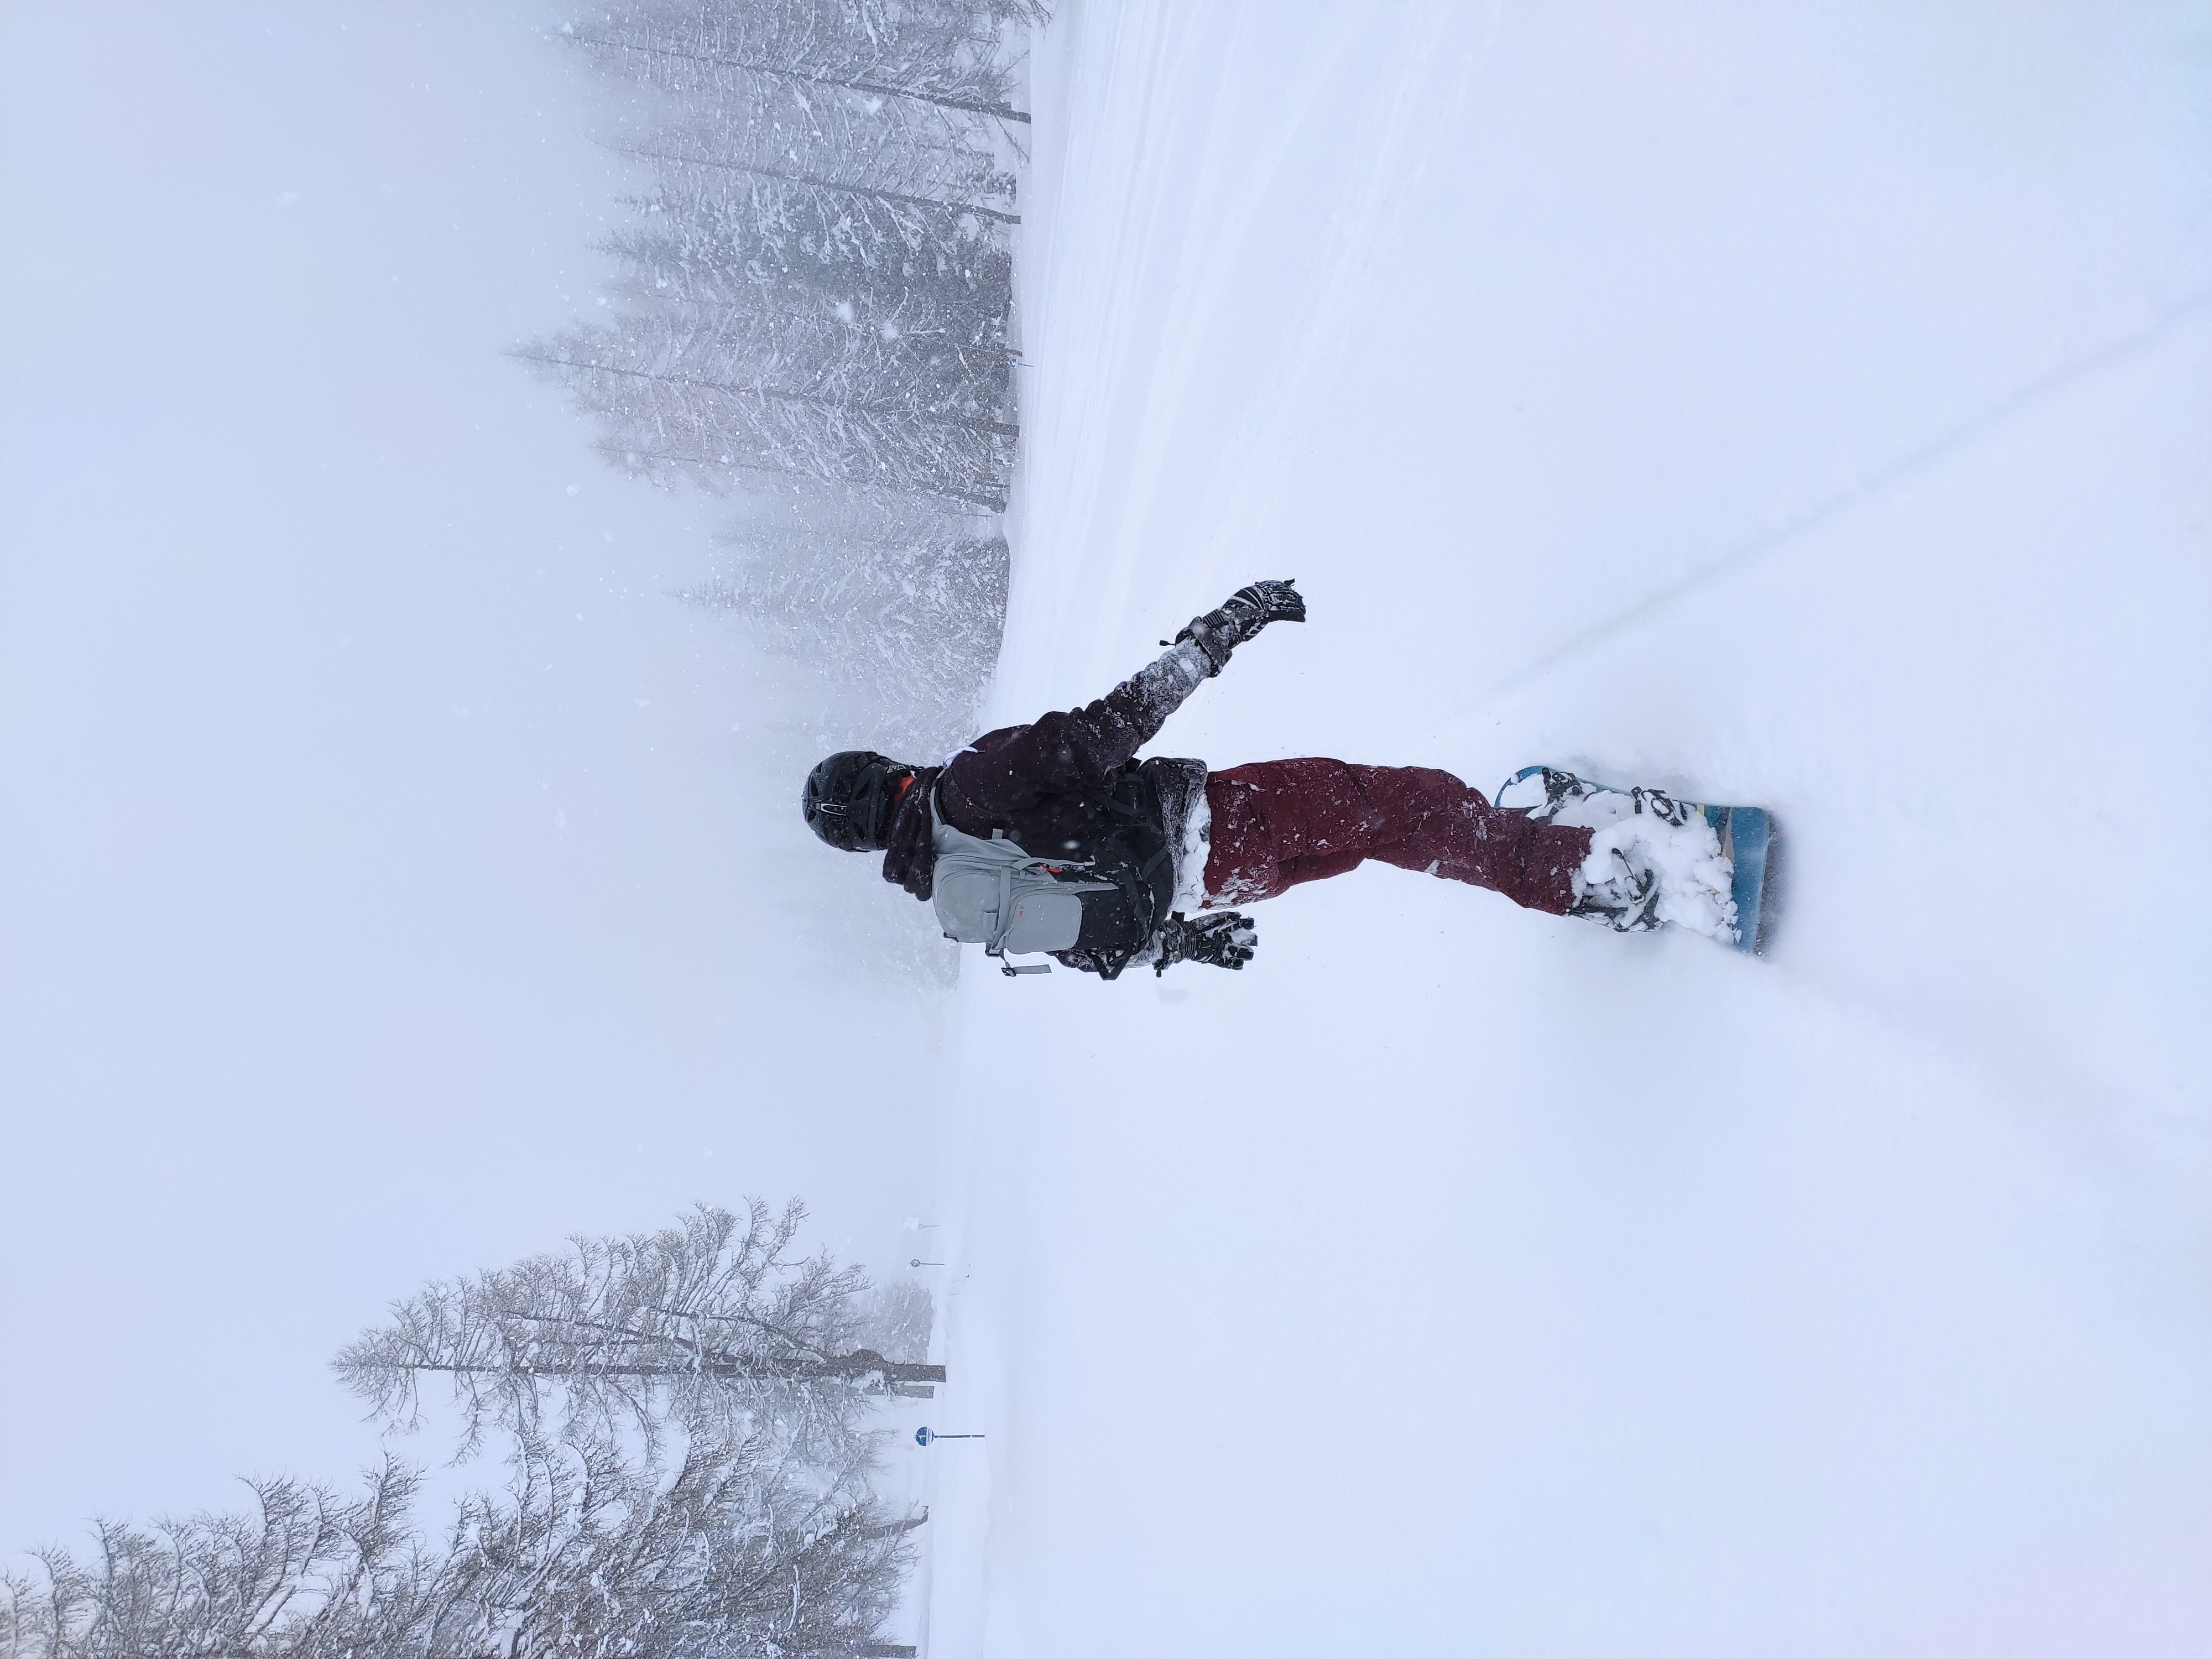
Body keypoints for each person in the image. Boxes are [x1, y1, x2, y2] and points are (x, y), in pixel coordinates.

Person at [800, 580, 1739, 979]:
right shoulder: (967, 788)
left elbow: (1085, 940)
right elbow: (1100, 735)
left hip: (1210, 885)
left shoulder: (958, 894)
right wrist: (1216, 635)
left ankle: (1553, 860)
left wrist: (1184, 943)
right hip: (1214, 824)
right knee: (1402, 803)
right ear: (887, 778)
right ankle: (1600, 872)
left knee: (1388, 834)